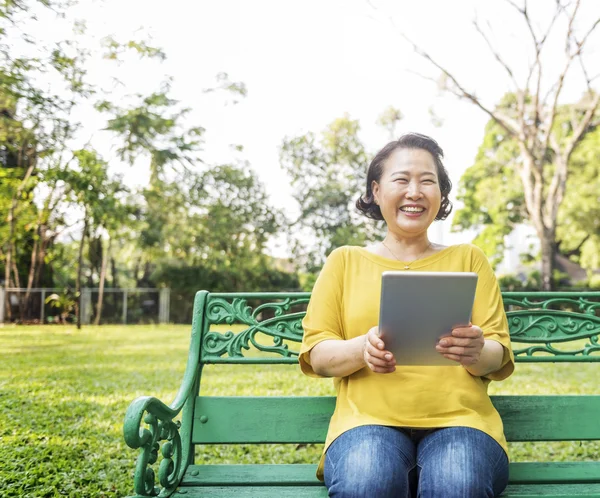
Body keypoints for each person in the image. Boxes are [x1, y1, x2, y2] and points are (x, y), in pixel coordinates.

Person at [299, 133, 515, 498]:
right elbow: (317, 355)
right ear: (376, 191)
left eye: (427, 181)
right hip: (365, 424)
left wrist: (477, 351)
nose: (415, 191)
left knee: (458, 483)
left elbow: (498, 355)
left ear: (441, 196)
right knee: (367, 482)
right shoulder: (344, 261)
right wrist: (362, 349)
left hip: (462, 423)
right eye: (401, 179)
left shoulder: (469, 259)